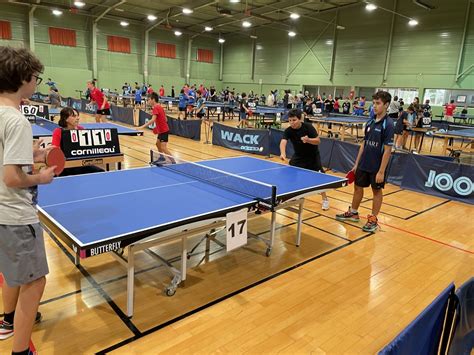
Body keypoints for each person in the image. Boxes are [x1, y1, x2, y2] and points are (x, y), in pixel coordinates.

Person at [0, 46, 56, 355]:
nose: (37, 83)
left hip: (0, 214)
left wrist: (37, 153)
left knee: (12, 273)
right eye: (36, 77)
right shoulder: (17, 120)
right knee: (35, 283)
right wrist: (41, 177)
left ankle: (7, 321)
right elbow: (12, 177)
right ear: (24, 78)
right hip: (16, 215)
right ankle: (21, 351)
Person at [336, 91, 395, 232]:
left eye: (378, 103)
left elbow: (387, 150)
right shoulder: (370, 121)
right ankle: (354, 212)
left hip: (377, 166)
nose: (374, 106)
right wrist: (357, 163)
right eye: (373, 103)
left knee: (376, 191)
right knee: (357, 187)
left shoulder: (389, 124)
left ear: (386, 105)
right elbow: (364, 143)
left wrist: (381, 172)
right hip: (364, 163)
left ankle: (373, 219)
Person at [279, 108, 330, 210]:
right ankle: (293, 196)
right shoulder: (288, 131)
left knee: (319, 179)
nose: (292, 123)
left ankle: (325, 199)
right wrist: (283, 153)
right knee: (290, 175)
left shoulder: (308, 127)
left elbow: (318, 141)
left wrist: (308, 140)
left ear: (300, 119)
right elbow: (283, 142)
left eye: (294, 120)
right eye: (290, 120)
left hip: (312, 157)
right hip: (299, 156)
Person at [51, 108, 104, 176]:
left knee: (100, 172)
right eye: (74, 116)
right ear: (65, 119)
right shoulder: (58, 131)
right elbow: (55, 150)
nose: (78, 118)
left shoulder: (81, 129)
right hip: (65, 165)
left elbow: (87, 148)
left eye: (77, 116)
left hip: (80, 163)